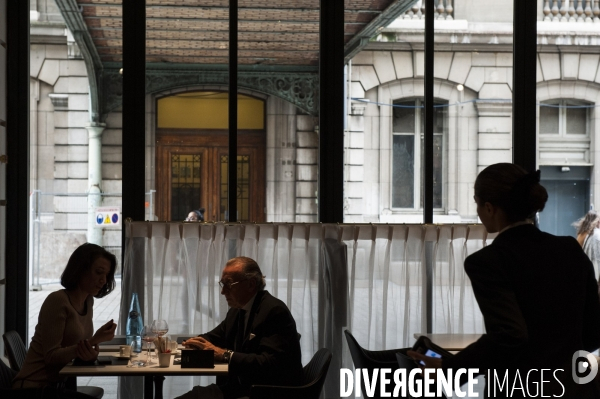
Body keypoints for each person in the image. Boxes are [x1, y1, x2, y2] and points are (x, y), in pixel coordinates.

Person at [409, 163, 600, 398]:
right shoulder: (570, 249)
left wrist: (449, 369)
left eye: (476, 202)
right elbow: (593, 332)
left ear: (489, 208)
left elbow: (510, 336)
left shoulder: (487, 261)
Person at [175, 256, 303, 399]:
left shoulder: (274, 311)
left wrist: (225, 355)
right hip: (239, 388)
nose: (223, 291)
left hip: (264, 392)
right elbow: (215, 337)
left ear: (251, 284)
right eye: (222, 284)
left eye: (229, 284)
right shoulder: (237, 310)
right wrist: (186, 345)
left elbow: (269, 363)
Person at [13, 243, 118, 390]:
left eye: (107, 275)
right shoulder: (57, 301)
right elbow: (51, 357)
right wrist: (94, 340)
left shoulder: (88, 301)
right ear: (80, 269)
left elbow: (76, 347)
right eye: (99, 272)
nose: (104, 280)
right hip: (34, 387)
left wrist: (91, 354)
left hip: (60, 385)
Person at [574, 210, 600, 279]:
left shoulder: (582, 233)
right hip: (591, 273)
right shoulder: (596, 235)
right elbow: (596, 261)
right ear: (597, 222)